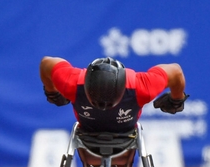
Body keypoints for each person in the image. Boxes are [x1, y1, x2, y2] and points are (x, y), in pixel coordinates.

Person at [39, 56, 188, 133]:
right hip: (126, 135)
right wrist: (176, 100)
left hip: (87, 133)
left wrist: (52, 92)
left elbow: (46, 63)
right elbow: (176, 71)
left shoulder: (70, 83)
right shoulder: (141, 86)